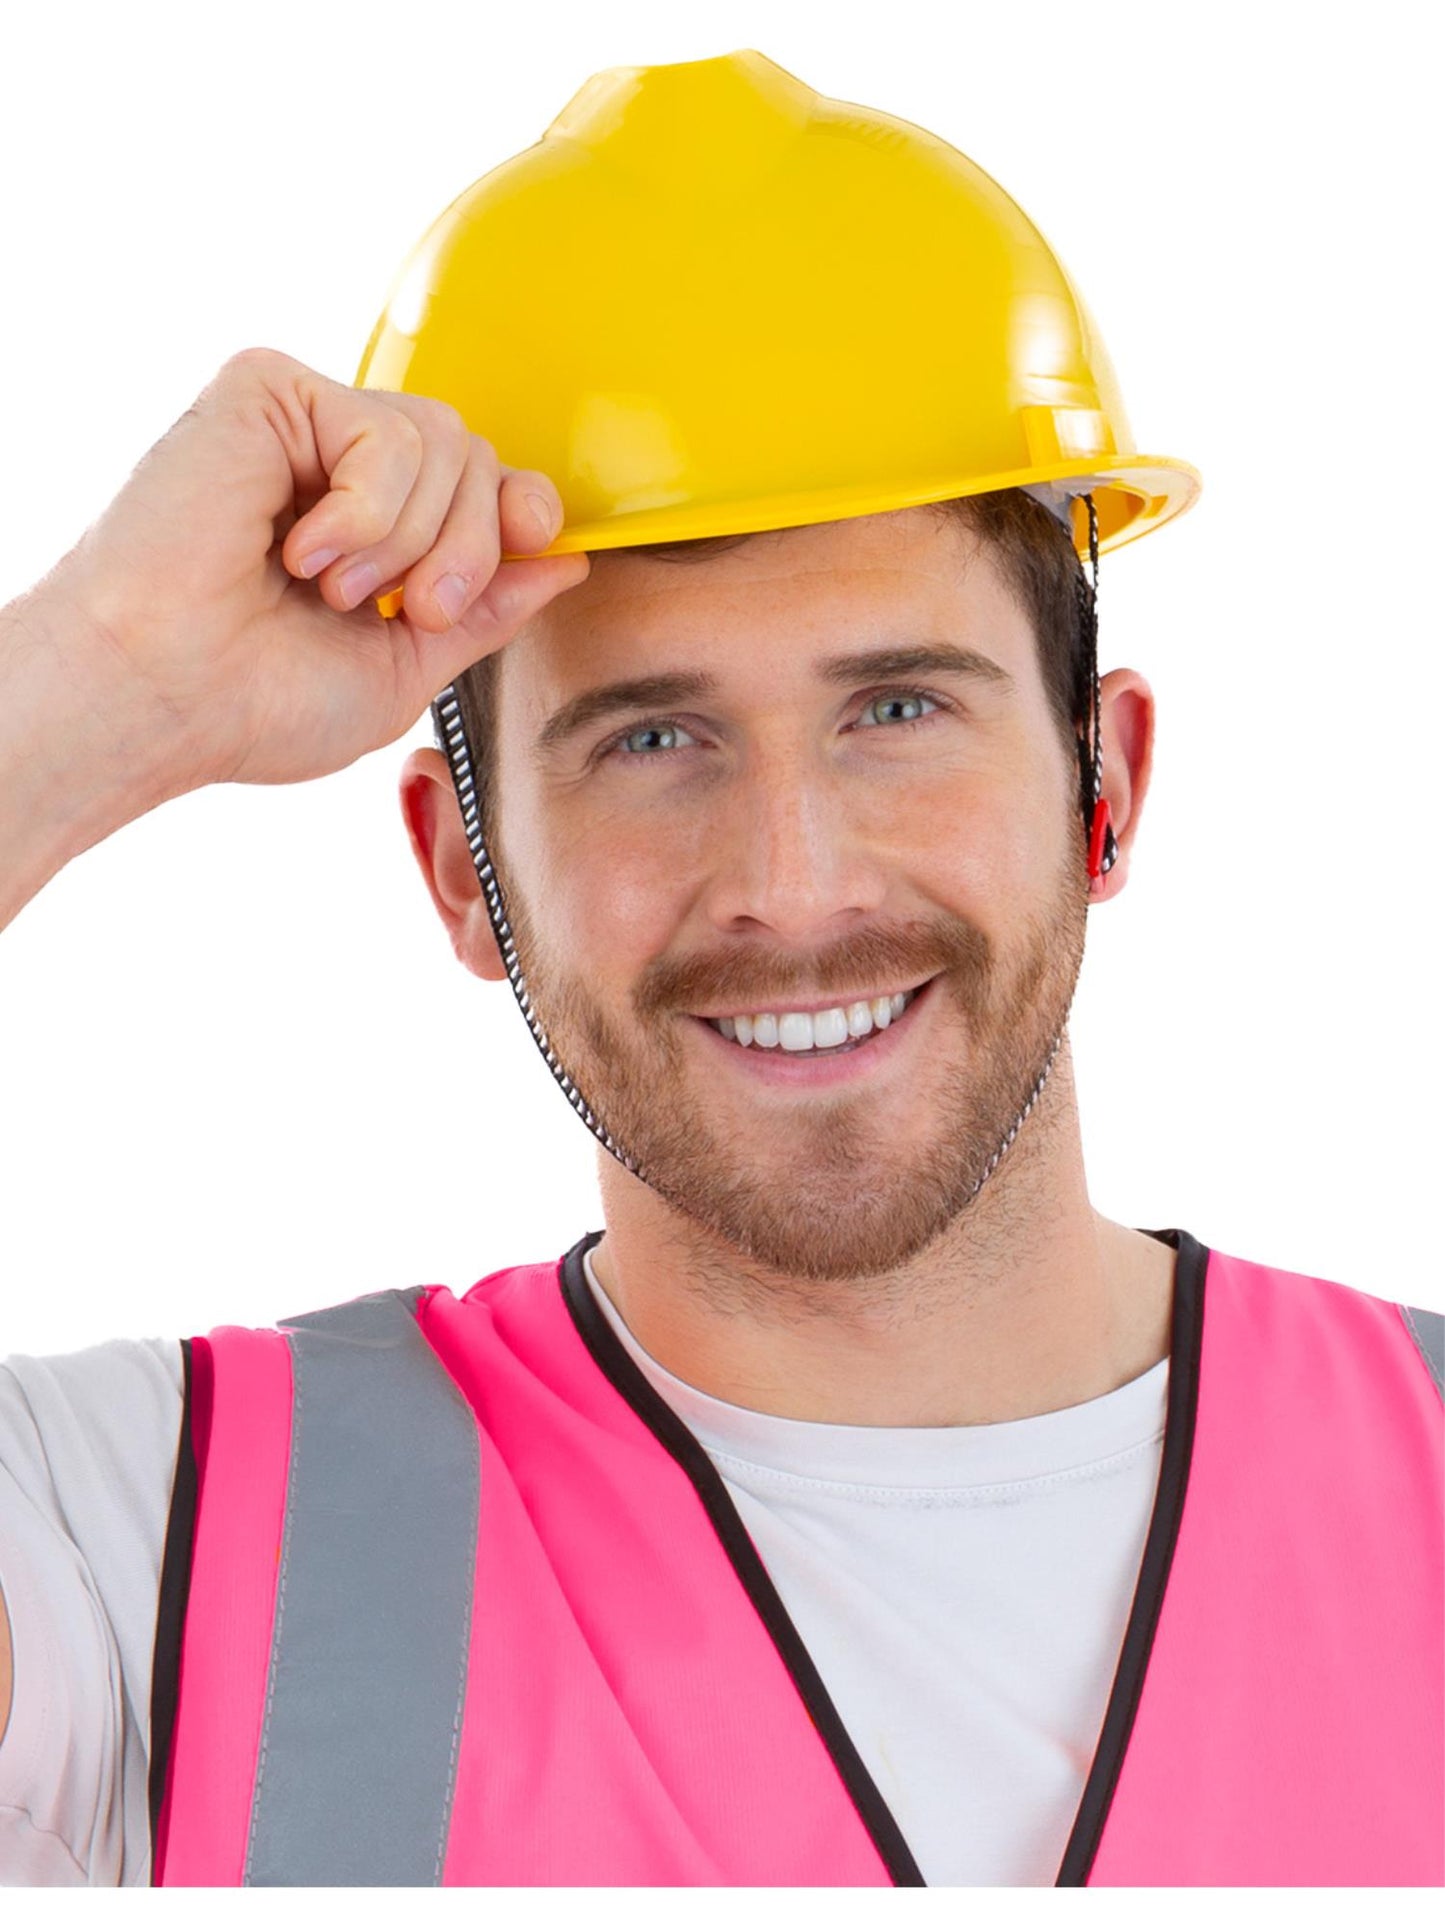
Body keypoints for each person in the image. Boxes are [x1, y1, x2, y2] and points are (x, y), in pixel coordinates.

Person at [0, 49, 1440, 1890]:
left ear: (1109, 783)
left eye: (896, 709)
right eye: (650, 740)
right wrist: (97, 682)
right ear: (459, 871)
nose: (790, 882)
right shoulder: (146, 1551)